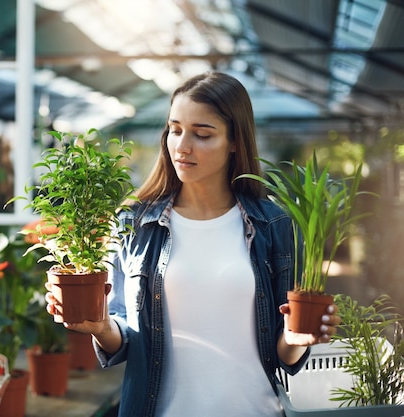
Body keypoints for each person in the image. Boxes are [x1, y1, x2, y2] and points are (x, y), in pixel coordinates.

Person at [45, 72, 341, 416]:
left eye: (202, 134)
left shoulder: (272, 224)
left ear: (235, 142)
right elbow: (123, 335)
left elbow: (281, 350)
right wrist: (99, 327)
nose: (182, 146)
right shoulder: (137, 223)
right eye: (175, 129)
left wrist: (296, 338)